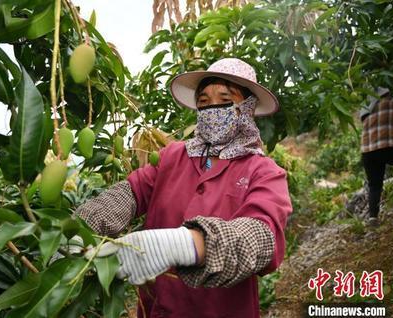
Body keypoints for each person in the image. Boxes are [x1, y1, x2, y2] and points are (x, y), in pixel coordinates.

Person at [73, 58, 292, 318]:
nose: (213, 110)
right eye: (204, 102)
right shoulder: (174, 157)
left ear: (246, 109)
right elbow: (129, 193)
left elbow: (260, 237)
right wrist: (80, 230)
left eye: (224, 101)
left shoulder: (264, 172)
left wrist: (185, 245)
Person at [360, 87, 393, 227]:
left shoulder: (367, 102)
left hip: (368, 149)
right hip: (388, 145)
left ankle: (373, 217)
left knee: (374, 184)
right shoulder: (390, 98)